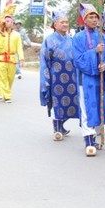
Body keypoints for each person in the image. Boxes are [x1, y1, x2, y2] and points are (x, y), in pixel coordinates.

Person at [72, 4, 105, 156]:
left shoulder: (103, 36)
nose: (93, 19)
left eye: (95, 17)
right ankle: (88, 140)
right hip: (85, 79)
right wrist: (94, 52)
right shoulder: (78, 38)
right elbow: (78, 59)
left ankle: (94, 134)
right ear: (84, 19)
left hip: (100, 78)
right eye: (90, 17)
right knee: (87, 108)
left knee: (99, 108)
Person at [39, 12, 79, 140]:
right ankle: (57, 127)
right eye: (62, 22)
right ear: (55, 25)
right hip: (56, 77)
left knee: (73, 103)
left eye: (66, 22)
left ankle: (61, 125)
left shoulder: (72, 39)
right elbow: (44, 61)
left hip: (72, 77)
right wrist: (46, 79)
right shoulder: (49, 40)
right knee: (57, 103)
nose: (65, 24)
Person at [0, 16, 24, 103]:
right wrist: (1, 34)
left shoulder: (17, 35)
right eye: (5, 21)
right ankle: (7, 96)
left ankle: (5, 93)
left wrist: (21, 58)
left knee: (10, 78)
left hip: (11, 58)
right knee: (3, 77)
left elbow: (19, 47)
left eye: (8, 21)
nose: (6, 23)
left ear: (12, 23)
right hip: (1, 58)